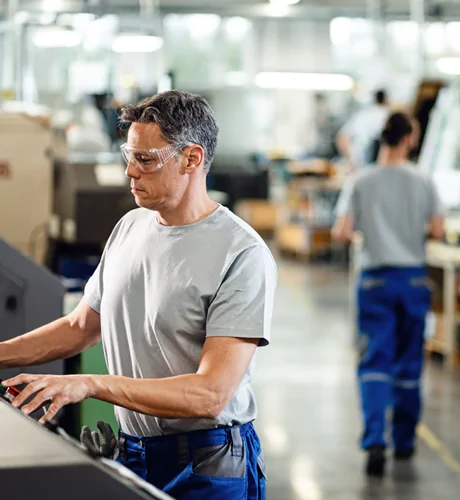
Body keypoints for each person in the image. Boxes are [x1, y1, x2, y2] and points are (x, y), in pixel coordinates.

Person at [0, 90, 277, 499]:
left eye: (145, 160)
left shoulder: (240, 253)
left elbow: (210, 394)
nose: (131, 172)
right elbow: (80, 326)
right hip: (133, 451)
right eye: (128, 155)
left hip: (207, 463)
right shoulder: (131, 226)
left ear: (192, 159)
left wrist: (90, 384)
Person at [332, 112, 444, 476]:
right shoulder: (423, 180)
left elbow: (342, 232)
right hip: (412, 280)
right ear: (409, 138)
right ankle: (406, 442)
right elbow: (438, 231)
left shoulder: (361, 181)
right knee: (410, 364)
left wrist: (373, 234)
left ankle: (376, 440)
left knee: (374, 362)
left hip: (374, 280)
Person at [336, 89, 390, 170]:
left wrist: (351, 159)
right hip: (381, 168)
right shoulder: (388, 116)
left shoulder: (362, 115)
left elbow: (341, 137)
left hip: (360, 166)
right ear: (385, 100)